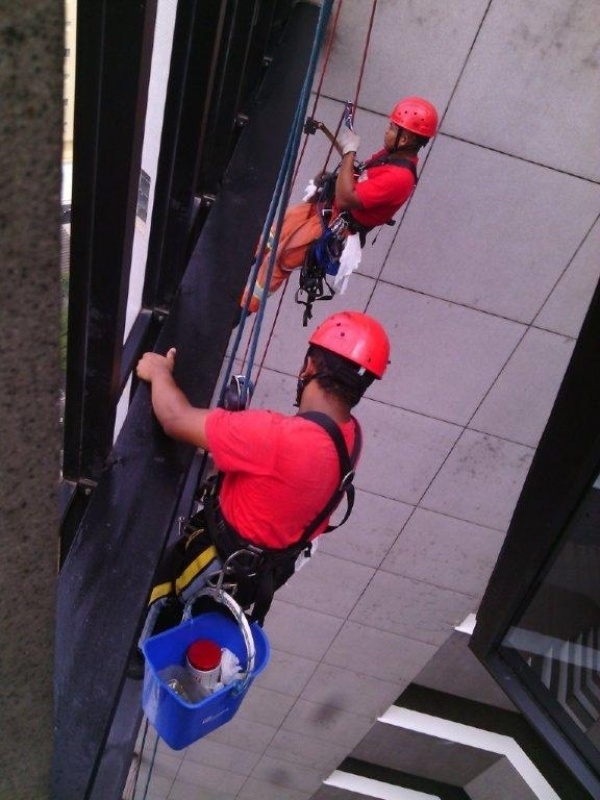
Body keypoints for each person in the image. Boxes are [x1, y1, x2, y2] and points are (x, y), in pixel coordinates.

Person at [135, 310, 390, 641]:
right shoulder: (351, 437)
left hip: (212, 565)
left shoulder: (276, 436)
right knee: (195, 636)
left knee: (158, 626)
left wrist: (159, 373)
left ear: (309, 367)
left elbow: (174, 418)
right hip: (255, 578)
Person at [240, 96, 438, 314]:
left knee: (280, 259)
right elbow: (357, 177)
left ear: (404, 139)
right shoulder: (389, 157)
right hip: (327, 210)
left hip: (336, 225)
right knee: (271, 234)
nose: (387, 132)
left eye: (392, 128)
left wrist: (349, 152)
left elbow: (347, 199)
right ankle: (233, 267)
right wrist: (333, 178)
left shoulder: (399, 177)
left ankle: (238, 310)